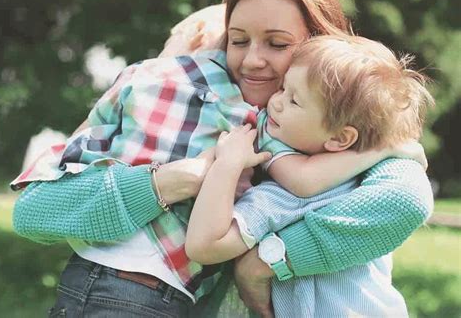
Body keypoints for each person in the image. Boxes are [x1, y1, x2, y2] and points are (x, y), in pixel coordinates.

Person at [11, 0, 434, 317]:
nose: (252, 60)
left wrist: (267, 263)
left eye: (278, 44)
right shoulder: (181, 90)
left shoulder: (351, 119)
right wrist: (168, 180)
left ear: (318, 47)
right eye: (237, 40)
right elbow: (33, 210)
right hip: (121, 291)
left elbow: (405, 200)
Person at [185, 35, 434, 317]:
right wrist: (385, 149)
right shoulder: (366, 185)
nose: (275, 103)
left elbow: (204, 245)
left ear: (340, 138)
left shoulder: (289, 199)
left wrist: (227, 164)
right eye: (282, 88)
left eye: (294, 100)